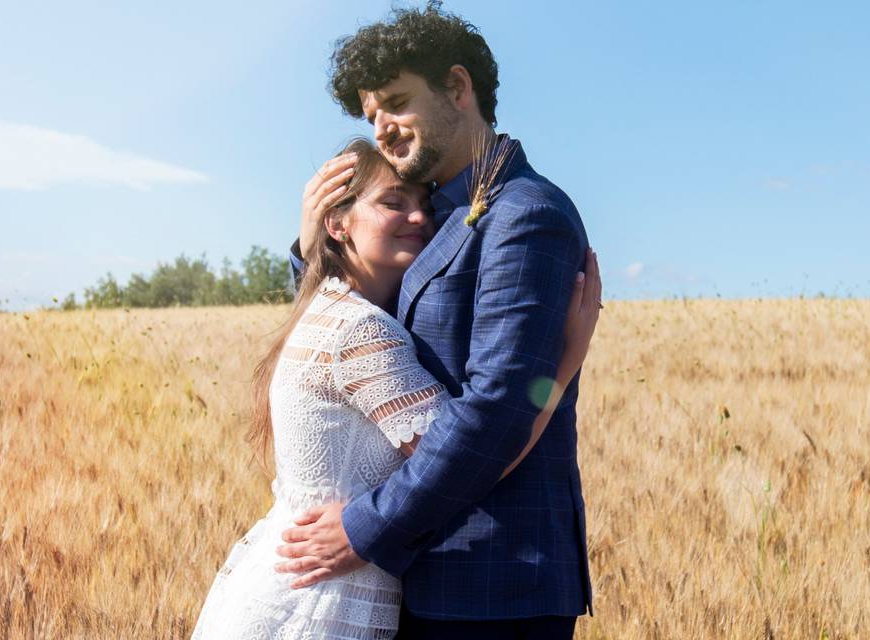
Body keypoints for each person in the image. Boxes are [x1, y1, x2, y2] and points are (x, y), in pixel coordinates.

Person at [191, 138, 601, 639]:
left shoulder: (327, 310)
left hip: (291, 584)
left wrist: (314, 243)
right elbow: (475, 453)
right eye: (393, 203)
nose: (419, 219)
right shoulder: (362, 333)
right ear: (337, 223)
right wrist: (564, 365)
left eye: (425, 205)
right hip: (325, 604)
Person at [275, 5, 596, 638]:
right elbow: (360, 343)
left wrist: (366, 528)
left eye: (396, 102)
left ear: (457, 87)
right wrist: (316, 249)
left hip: (496, 582)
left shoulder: (526, 215)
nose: (383, 130)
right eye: (372, 117)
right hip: (425, 575)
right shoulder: (438, 219)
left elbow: (498, 406)